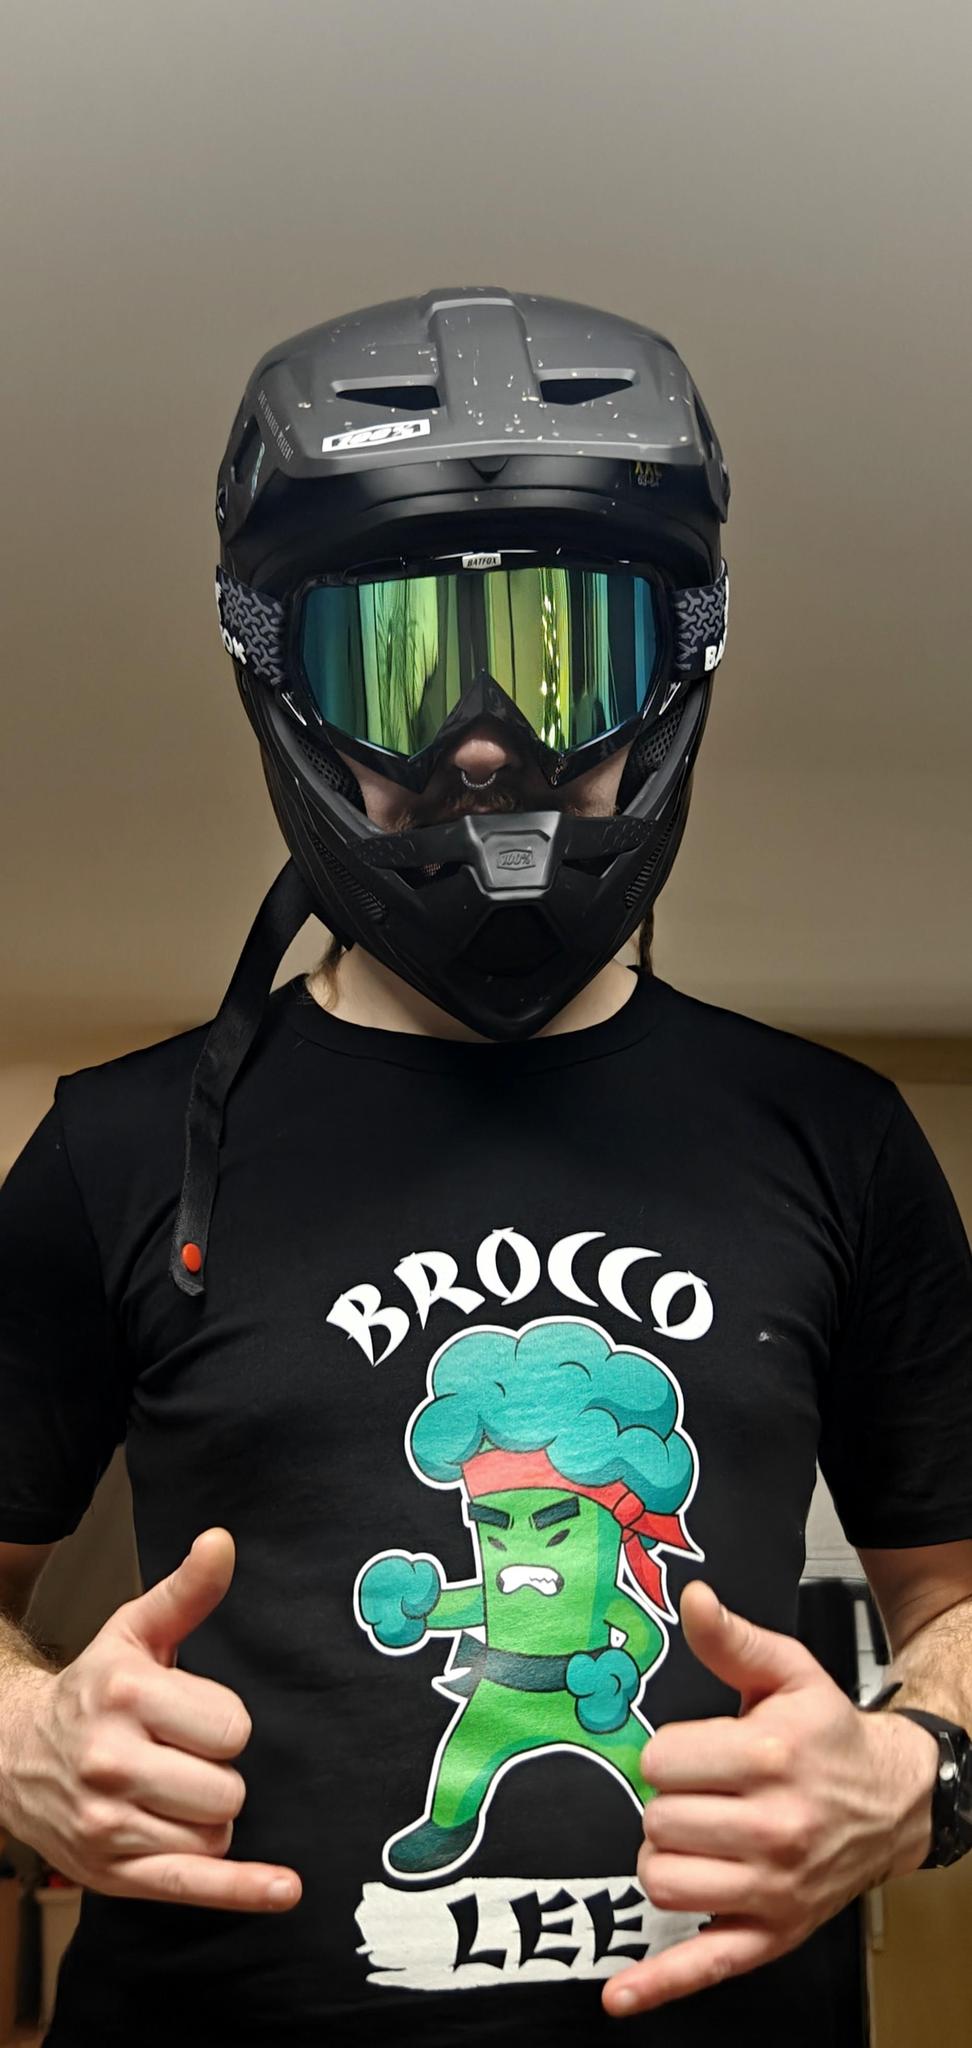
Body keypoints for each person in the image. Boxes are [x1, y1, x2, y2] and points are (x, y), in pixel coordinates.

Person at [0, 285, 970, 2048]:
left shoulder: (839, 1139)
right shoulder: (111, 1154)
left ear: (671, 676)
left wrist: (924, 1771)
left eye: (558, 656)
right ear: (286, 691)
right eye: (395, 662)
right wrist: (14, 1743)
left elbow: (955, 1597)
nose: (479, 741)